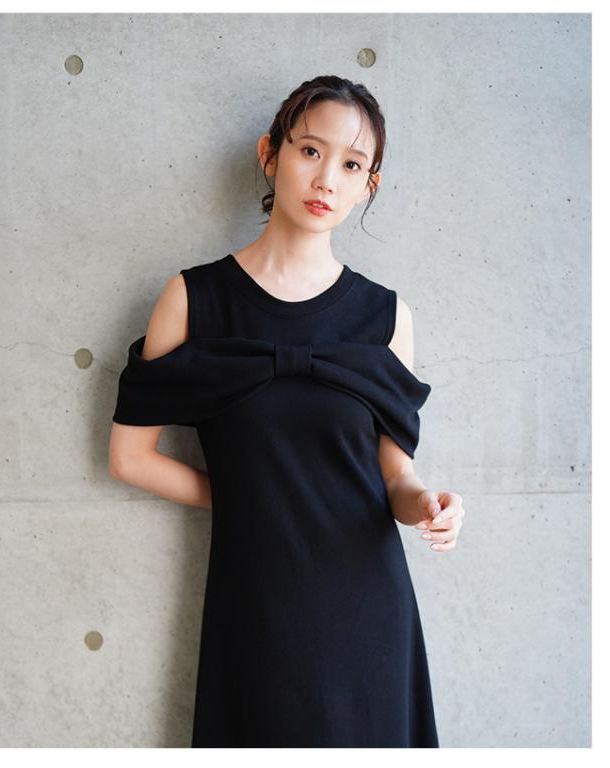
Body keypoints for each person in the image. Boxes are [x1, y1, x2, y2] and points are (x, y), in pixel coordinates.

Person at [109, 74, 465, 748]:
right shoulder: (194, 299)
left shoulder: (386, 317)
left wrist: (427, 505)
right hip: (258, 603)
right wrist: (255, 499)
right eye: (310, 151)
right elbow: (129, 459)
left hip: (368, 604)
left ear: (369, 186)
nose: (327, 178)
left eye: (351, 165)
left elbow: (395, 476)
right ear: (269, 153)